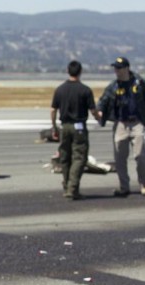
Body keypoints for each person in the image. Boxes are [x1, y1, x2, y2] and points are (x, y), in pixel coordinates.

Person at [96, 56, 145, 197]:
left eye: (119, 68)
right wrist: (99, 111)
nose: (116, 71)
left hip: (137, 122)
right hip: (120, 124)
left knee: (140, 155)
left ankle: (144, 183)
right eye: (115, 68)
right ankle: (124, 186)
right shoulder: (114, 86)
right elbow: (104, 100)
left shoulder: (139, 82)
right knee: (119, 157)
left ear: (126, 68)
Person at [50, 60, 99, 200]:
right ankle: (72, 187)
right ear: (80, 72)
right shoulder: (85, 90)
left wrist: (54, 126)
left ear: (68, 71)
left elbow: (53, 110)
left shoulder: (60, 89)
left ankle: (67, 186)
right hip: (79, 127)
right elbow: (93, 110)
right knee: (79, 157)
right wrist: (98, 117)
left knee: (65, 157)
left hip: (64, 126)